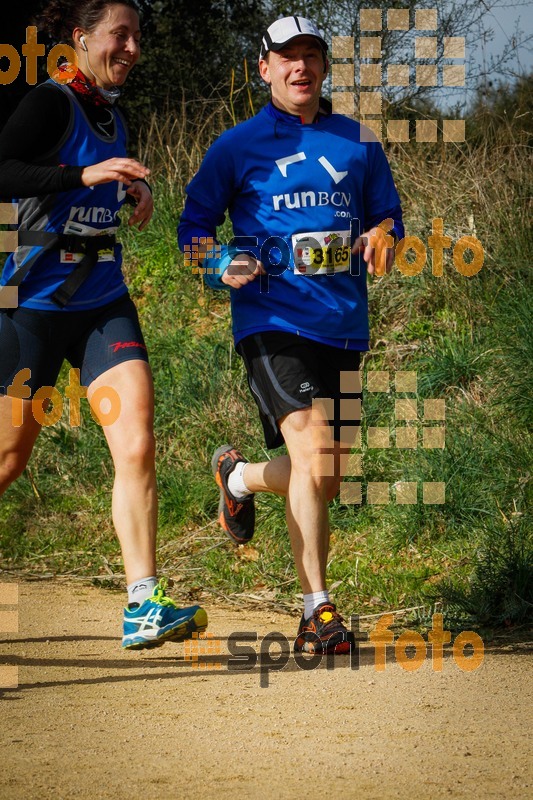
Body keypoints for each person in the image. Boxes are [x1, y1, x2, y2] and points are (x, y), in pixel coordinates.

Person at [178, 15, 404, 655]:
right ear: (264, 68)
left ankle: (240, 478)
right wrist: (219, 262)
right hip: (271, 321)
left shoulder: (357, 141)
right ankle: (317, 609)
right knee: (314, 448)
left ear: (325, 67)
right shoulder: (237, 146)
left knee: (326, 471)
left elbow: (391, 216)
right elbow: (191, 231)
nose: (300, 67)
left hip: (344, 326)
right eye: (287, 57)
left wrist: (385, 235)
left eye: (311, 56)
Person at [0, 0, 207, 649]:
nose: (132, 48)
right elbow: (4, 170)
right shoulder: (49, 103)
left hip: (101, 298)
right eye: (121, 35)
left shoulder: (112, 117)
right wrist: (81, 174)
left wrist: (127, 193)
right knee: (8, 456)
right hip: (30, 303)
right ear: (82, 39)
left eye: (138, 38)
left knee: (137, 440)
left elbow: (92, 189)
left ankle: (142, 602)